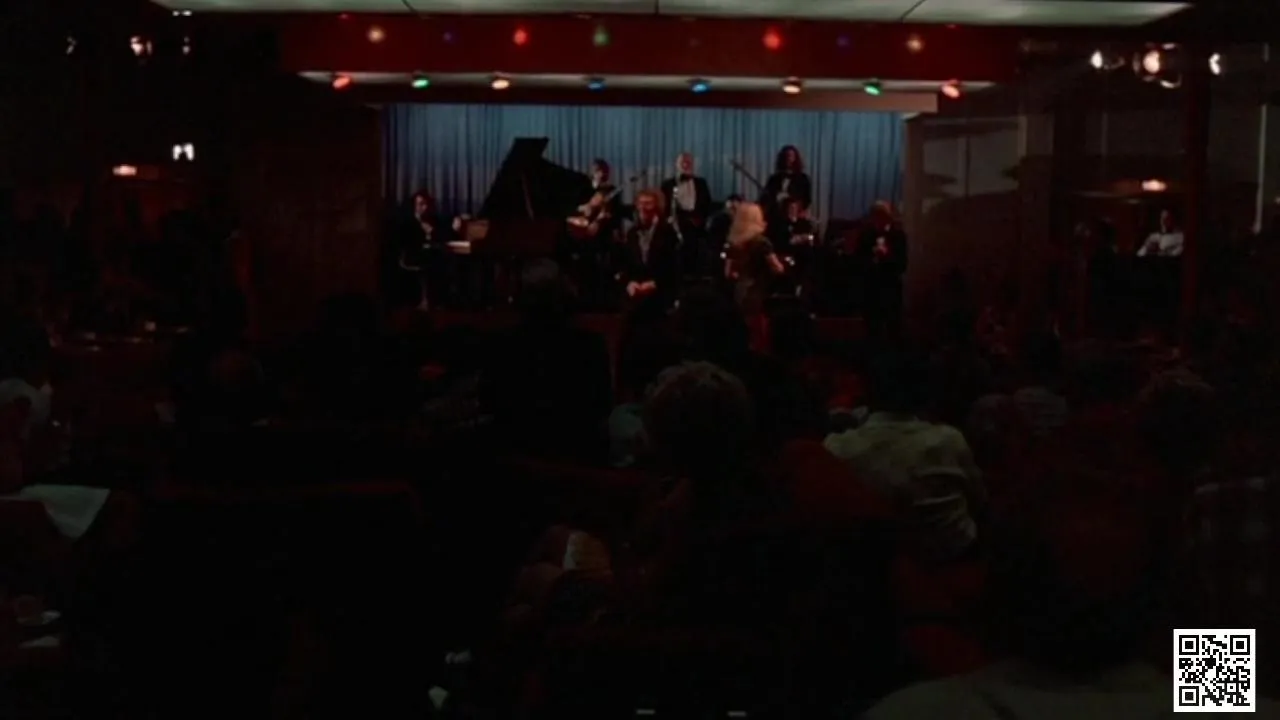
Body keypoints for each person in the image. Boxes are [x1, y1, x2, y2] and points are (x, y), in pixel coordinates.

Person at [824, 345, 984, 562]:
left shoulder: (837, 448)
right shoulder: (948, 439)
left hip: (875, 564)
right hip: (954, 555)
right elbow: (978, 500)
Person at [479, 260, 613, 464]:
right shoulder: (590, 345)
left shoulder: (501, 345)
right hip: (577, 456)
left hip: (514, 458)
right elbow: (602, 406)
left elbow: (489, 402)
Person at [617, 189, 681, 308]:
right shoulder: (632, 233)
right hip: (635, 295)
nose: (643, 208)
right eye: (640, 204)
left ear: (657, 207)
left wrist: (655, 284)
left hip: (661, 295)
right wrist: (629, 283)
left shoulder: (668, 232)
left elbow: (674, 267)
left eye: (648, 204)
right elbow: (624, 264)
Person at [724, 202, 785, 323]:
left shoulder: (733, 243)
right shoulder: (762, 243)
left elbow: (727, 273)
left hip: (738, 291)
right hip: (757, 292)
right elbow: (777, 269)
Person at [857, 202, 908, 339]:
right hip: (871, 290)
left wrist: (887, 256)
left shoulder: (898, 236)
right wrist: (872, 258)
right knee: (872, 329)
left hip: (890, 289)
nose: (876, 221)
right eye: (874, 217)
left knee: (893, 329)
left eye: (880, 217)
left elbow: (902, 265)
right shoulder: (867, 235)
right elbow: (859, 261)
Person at [659, 153, 714, 279]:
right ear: (677, 165)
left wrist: (701, 219)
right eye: (682, 162)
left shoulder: (701, 183)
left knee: (696, 249)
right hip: (675, 223)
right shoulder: (668, 184)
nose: (685, 165)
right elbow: (663, 205)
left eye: (688, 162)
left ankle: (694, 276)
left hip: (696, 222)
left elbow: (707, 203)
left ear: (693, 165)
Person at [398, 191, 454, 311]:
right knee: (434, 262)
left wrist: (433, 232)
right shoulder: (408, 222)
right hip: (412, 255)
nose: (425, 207)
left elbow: (443, 236)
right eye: (421, 204)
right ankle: (426, 301)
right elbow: (406, 243)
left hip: (430, 255)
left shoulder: (433, 221)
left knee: (444, 261)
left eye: (426, 204)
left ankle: (440, 300)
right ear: (415, 206)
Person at [759, 145, 812, 227]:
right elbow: (765, 198)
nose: (788, 159)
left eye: (791, 156)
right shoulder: (774, 179)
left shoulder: (803, 179)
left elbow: (807, 199)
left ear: (795, 159)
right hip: (775, 219)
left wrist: (794, 204)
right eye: (786, 156)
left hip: (795, 218)